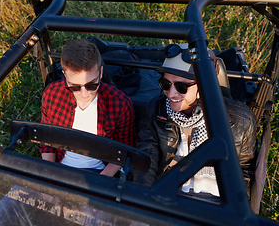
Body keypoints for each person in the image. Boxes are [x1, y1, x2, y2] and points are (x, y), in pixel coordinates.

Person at [134, 43, 257, 199]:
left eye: (181, 87)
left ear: (205, 85)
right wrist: (144, 201)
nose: (170, 93)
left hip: (217, 206)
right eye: (165, 84)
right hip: (168, 198)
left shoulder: (242, 120)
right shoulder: (154, 110)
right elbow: (146, 162)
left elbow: (245, 171)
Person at [39, 39, 136, 177]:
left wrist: (100, 182)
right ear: (64, 75)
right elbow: (46, 140)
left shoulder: (119, 103)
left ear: (101, 73)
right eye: (75, 86)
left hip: (99, 174)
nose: (84, 93)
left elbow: (126, 150)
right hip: (58, 168)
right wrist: (48, 176)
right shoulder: (52, 94)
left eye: (91, 85)